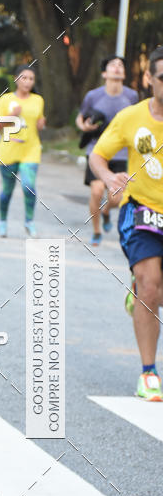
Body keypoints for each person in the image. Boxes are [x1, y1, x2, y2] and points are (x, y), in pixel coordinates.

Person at [90, 45, 163, 401]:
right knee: (150, 286)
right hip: (142, 210)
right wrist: (107, 176)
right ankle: (149, 373)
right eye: (162, 76)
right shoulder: (132, 117)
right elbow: (98, 155)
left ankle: (142, 291)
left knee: (155, 291)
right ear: (149, 79)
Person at [76, 56, 138, 246]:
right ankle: (96, 230)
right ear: (104, 73)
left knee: (117, 197)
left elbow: (136, 121)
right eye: (113, 65)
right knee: (96, 191)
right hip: (96, 149)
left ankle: (105, 211)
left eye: (121, 65)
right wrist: (85, 127)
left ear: (124, 73)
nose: (117, 68)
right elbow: (80, 118)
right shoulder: (93, 96)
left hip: (120, 153)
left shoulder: (132, 96)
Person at [0, 64, 46, 238]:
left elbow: (38, 123)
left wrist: (40, 125)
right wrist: (12, 116)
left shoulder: (38, 100)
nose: (28, 82)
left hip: (30, 149)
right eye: (24, 78)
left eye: (31, 79)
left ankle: (29, 221)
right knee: (7, 190)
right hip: (9, 150)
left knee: (28, 186)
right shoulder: (6, 100)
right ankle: (2, 221)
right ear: (16, 79)